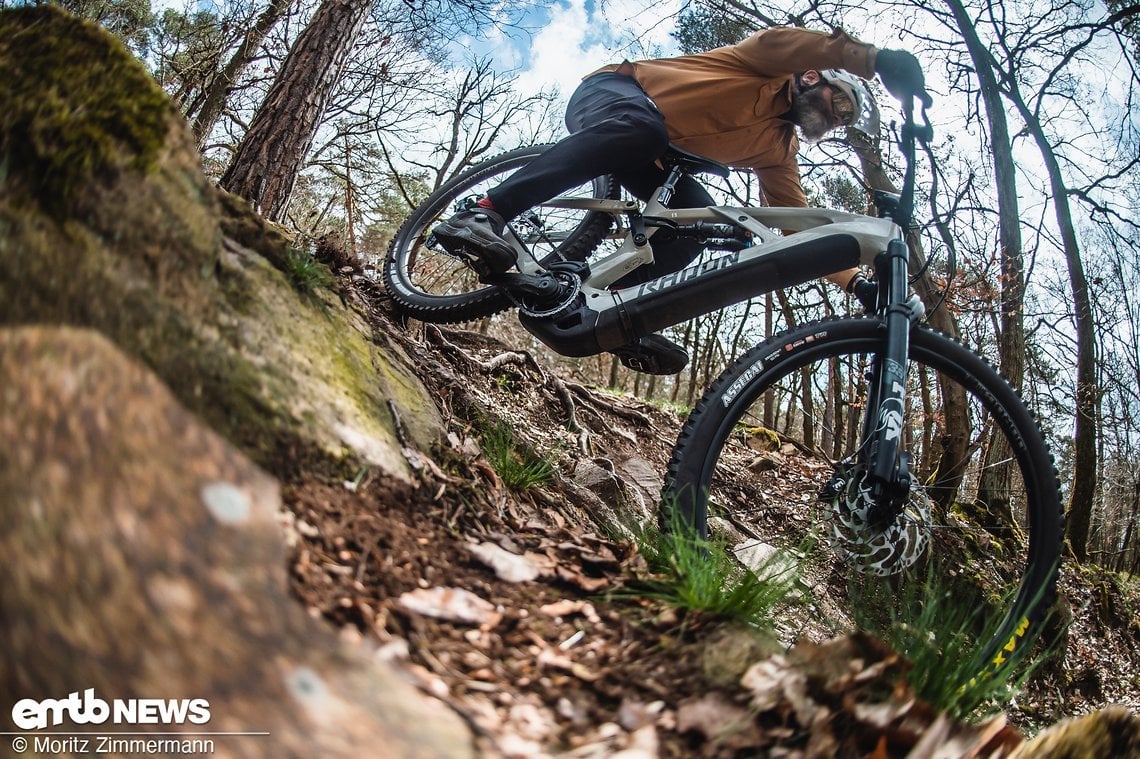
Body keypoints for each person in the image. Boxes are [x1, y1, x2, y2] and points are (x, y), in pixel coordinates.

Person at [433, 26, 928, 374]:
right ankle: (486, 212)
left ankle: (598, 307)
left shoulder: (779, 150)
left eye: (845, 120)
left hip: (653, 157)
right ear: (813, 77)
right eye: (839, 105)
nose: (837, 119)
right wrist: (874, 61)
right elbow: (794, 43)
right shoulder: (765, 64)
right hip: (615, 95)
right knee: (642, 129)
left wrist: (856, 283)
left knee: (692, 234)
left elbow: (799, 223)